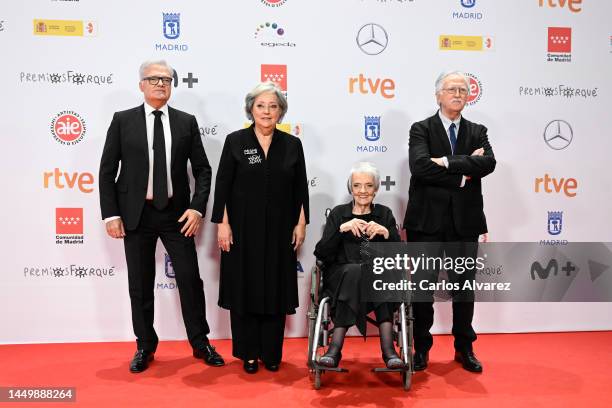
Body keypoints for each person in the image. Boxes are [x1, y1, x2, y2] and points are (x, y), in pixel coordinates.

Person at [99, 59, 224, 373]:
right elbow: (106, 172)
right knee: (140, 285)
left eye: (167, 79)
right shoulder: (122, 120)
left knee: (189, 281)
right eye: (154, 79)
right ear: (141, 84)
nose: (160, 84)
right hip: (135, 215)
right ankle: (145, 346)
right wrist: (110, 214)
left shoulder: (186, 121)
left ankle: (200, 342)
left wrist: (196, 208)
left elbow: (203, 170)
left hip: (176, 215)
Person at [211, 81, 309, 374]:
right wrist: (223, 225)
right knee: (245, 290)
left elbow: (300, 188)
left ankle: (271, 353)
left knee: (275, 291)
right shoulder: (235, 141)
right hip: (241, 231)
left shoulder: (292, 144)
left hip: (281, 232)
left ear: (281, 112)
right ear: (250, 110)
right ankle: (248, 353)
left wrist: (301, 223)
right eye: (261, 106)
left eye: (273, 106)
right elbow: (223, 187)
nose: (267, 111)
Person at [403, 71, 496, 373]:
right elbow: (419, 167)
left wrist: (443, 162)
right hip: (426, 222)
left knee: (464, 288)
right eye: (451, 88)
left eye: (463, 89)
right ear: (438, 95)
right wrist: (464, 172)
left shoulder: (478, 130)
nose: (458, 93)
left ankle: (464, 348)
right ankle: (421, 349)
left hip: (464, 223)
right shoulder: (421, 129)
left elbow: (488, 163)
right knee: (422, 289)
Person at [313, 162, 405, 369]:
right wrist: (341, 229)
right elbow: (321, 253)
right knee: (355, 271)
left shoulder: (385, 214)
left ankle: (389, 351)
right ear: (350, 188)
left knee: (376, 273)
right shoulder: (338, 214)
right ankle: (334, 348)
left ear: (376, 188)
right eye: (357, 186)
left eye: (368, 186)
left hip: (377, 278)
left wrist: (386, 233)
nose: (362, 191)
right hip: (341, 277)